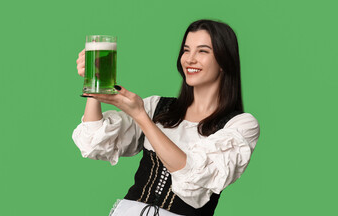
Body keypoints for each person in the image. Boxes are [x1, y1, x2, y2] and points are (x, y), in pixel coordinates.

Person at [72, 19, 260, 216]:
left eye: (203, 51)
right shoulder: (157, 107)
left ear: (224, 60)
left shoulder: (240, 125)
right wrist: (94, 84)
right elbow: (94, 143)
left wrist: (141, 117)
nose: (190, 59)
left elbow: (193, 178)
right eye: (186, 50)